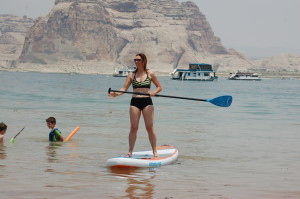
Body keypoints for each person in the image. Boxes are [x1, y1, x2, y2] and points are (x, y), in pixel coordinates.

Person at [109, 53, 162, 157]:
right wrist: (116, 94)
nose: (136, 62)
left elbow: (159, 87)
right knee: (133, 127)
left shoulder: (150, 73)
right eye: (135, 60)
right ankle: (130, 152)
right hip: (135, 102)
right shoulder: (131, 75)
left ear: (143, 61)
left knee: (149, 127)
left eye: (138, 60)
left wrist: (154, 92)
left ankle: (155, 151)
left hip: (147, 101)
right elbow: (124, 89)